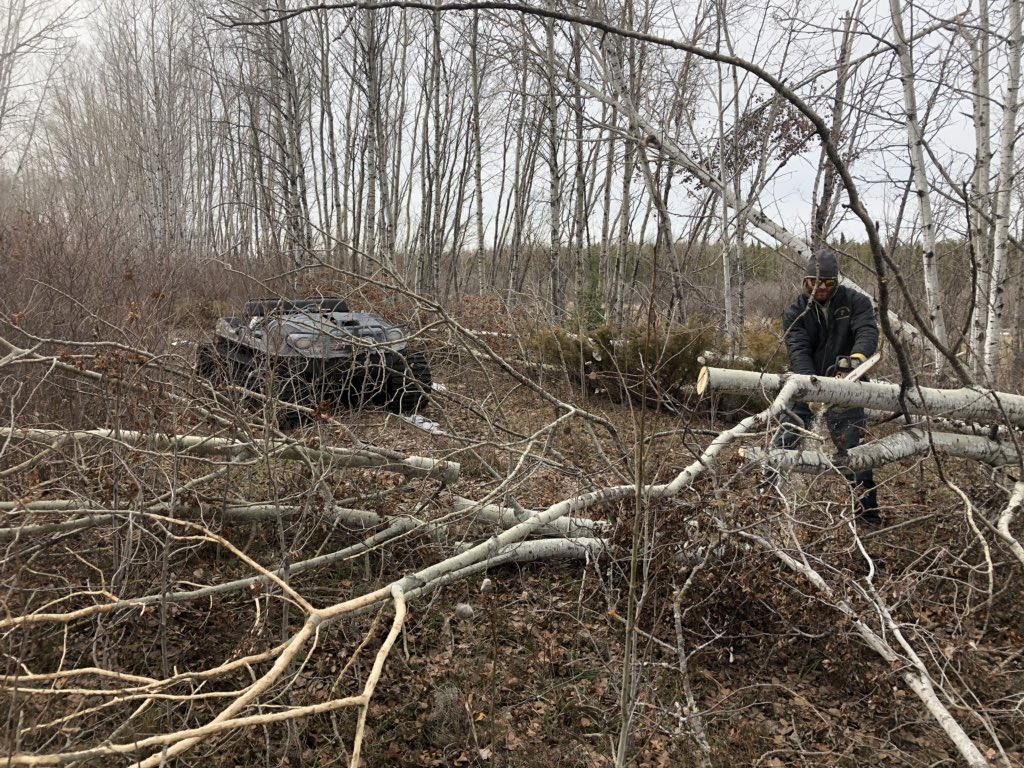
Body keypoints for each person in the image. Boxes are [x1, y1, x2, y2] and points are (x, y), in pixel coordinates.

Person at [773, 248, 882, 527]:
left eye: (827, 283)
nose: (820, 288)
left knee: (855, 453)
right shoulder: (796, 311)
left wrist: (855, 361)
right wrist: (811, 387)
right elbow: (798, 350)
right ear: (805, 280)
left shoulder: (856, 302)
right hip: (805, 385)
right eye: (814, 282)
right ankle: (767, 501)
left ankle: (868, 516)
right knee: (784, 443)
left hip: (848, 388)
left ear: (836, 281)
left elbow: (867, 331)